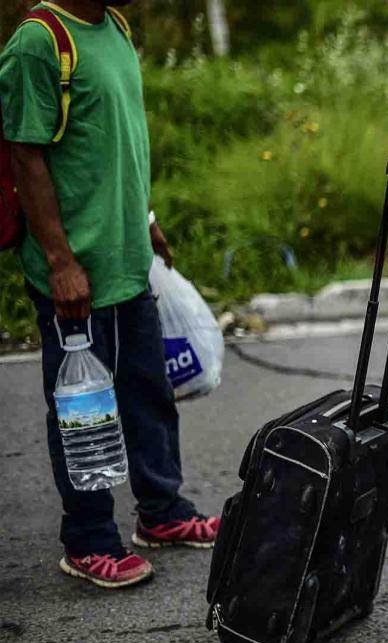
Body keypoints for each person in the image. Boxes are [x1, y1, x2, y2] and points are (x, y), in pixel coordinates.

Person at [0, 0, 218, 589]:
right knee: (83, 411)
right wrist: (60, 261)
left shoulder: (114, 27)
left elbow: (116, 141)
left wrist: (144, 218)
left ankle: (162, 513)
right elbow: (27, 154)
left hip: (127, 260)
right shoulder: (38, 42)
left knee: (148, 393)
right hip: (75, 272)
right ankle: (89, 540)